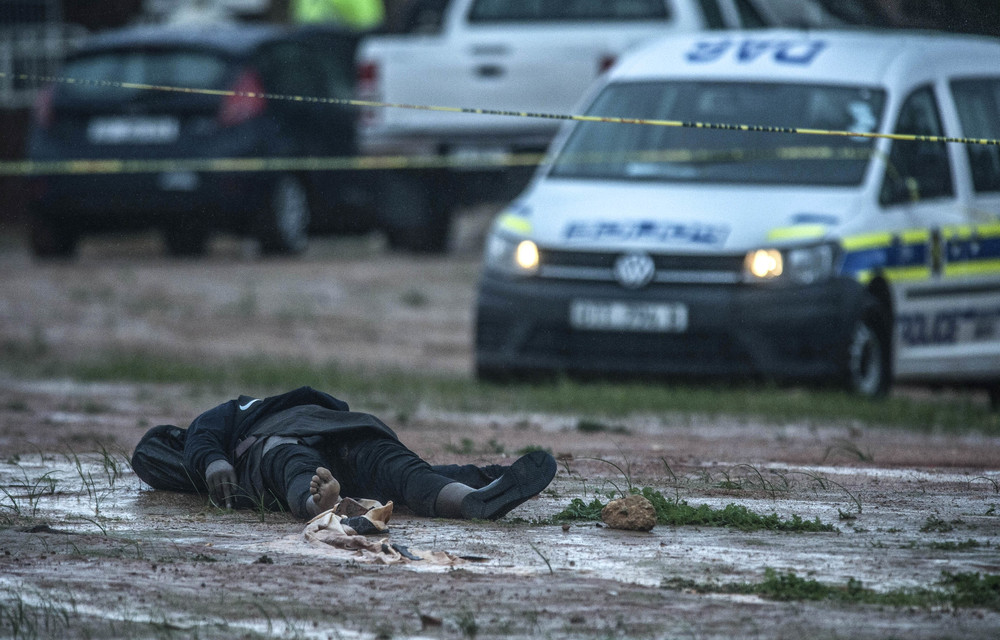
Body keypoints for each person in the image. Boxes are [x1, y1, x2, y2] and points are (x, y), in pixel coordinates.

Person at [131, 386, 556, 521]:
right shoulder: (216, 444)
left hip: (288, 436)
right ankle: (469, 499)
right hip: (347, 431)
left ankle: (318, 503)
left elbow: (194, 430)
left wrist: (213, 459)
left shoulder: (239, 416)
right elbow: (154, 448)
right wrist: (483, 472)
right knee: (405, 473)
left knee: (289, 461)